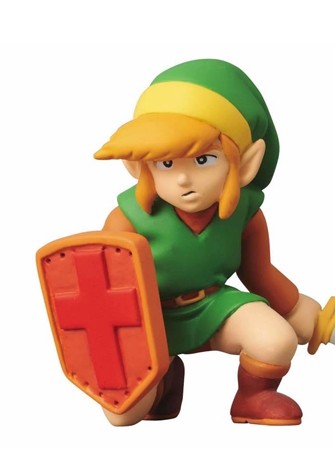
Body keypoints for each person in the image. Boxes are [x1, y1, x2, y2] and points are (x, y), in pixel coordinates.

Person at [94, 59, 321, 426]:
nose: (184, 179)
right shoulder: (127, 220)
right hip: (152, 319)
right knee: (123, 415)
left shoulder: (244, 215)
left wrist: (295, 308)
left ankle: (254, 396)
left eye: (203, 159)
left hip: (214, 307)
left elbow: (258, 272)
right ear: (139, 166)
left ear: (245, 163)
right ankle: (164, 381)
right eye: (166, 164)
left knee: (275, 339)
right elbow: (105, 292)